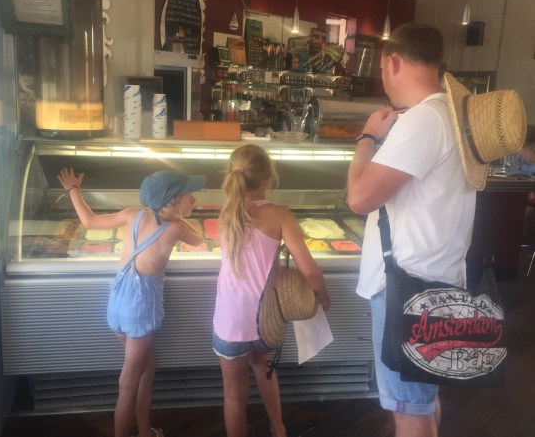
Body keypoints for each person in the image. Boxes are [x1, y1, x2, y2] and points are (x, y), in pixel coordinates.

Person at [347, 22, 477, 437]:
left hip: (408, 290)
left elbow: (359, 198)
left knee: (410, 410)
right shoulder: (451, 115)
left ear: (393, 62)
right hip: (433, 282)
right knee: (422, 400)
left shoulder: (423, 120)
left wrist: (368, 136)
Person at [58, 168, 206, 437]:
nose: (194, 198)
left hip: (117, 303)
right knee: (129, 383)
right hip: (141, 308)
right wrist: (182, 216)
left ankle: (145, 431)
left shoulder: (132, 214)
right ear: (173, 202)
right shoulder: (177, 227)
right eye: (189, 196)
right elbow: (200, 241)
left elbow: (89, 221)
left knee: (147, 368)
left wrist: (73, 190)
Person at [212, 144, 331, 437]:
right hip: (265, 317)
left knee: (234, 396)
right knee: (264, 365)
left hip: (230, 320)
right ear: (267, 179)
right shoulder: (280, 215)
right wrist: (323, 298)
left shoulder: (227, 213)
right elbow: (309, 270)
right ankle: (278, 428)